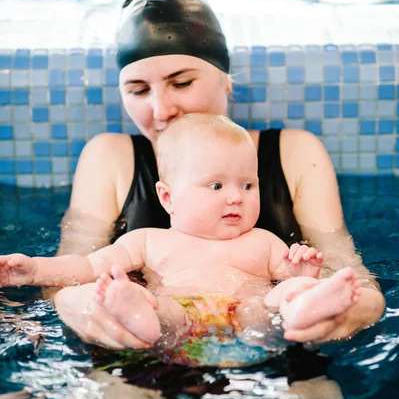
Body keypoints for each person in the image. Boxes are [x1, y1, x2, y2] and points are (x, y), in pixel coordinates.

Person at [50, 0, 384, 349]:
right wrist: (80, 306)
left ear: (226, 80)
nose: (162, 110)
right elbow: (66, 276)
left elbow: (344, 267)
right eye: (139, 90)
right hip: (139, 353)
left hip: (279, 341)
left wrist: (360, 306)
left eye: (181, 83)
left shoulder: (294, 153)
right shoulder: (109, 157)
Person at [1, 115, 362, 366]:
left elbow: (288, 273)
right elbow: (84, 267)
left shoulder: (263, 240)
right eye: (217, 186)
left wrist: (303, 271)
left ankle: (307, 311)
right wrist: (32, 269)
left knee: (282, 296)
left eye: (247, 185)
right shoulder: (146, 241)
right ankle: (135, 312)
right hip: (180, 317)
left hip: (251, 318)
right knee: (158, 306)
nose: (236, 197)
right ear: (168, 197)